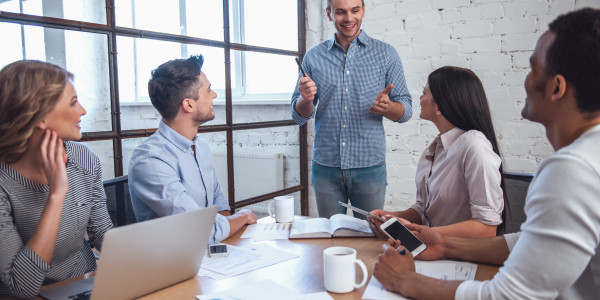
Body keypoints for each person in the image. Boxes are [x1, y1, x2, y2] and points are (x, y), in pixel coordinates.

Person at [373, 7, 600, 299]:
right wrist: (443, 243)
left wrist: (406, 281)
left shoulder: (573, 170)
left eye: (532, 69)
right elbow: (530, 243)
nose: (525, 80)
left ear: (557, 88)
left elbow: (509, 295)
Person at [0, 60, 113, 299]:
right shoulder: (3, 181)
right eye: (73, 102)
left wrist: (149, 263)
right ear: (39, 116)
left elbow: (102, 233)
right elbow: (22, 286)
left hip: (84, 286)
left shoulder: (84, 159)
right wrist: (57, 194)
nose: (82, 111)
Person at [291, 0, 412, 219]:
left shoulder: (386, 54)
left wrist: (389, 107)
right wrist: (305, 98)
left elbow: (406, 111)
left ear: (363, 11)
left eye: (355, 10)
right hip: (325, 168)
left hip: (369, 168)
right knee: (330, 238)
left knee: (370, 236)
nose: (349, 18)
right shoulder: (313, 57)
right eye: (340, 12)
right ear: (329, 14)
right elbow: (299, 115)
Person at [128, 55, 257, 245]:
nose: (214, 95)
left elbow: (218, 203)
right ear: (188, 104)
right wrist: (243, 216)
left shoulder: (200, 145)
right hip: (171, 265)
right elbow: (198, 230)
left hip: (208, 255)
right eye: (209, 90)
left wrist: (223, 236)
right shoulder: (150, 160)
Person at [370, 66, 505, 238]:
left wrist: (422, 233)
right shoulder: (435, 148)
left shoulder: (474, 145)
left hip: (459, 257)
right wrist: (392, 217)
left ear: (439, 106)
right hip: (432, 253)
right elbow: (424, 210)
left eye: (424, 93)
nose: (420, 97)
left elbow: (487, 228)